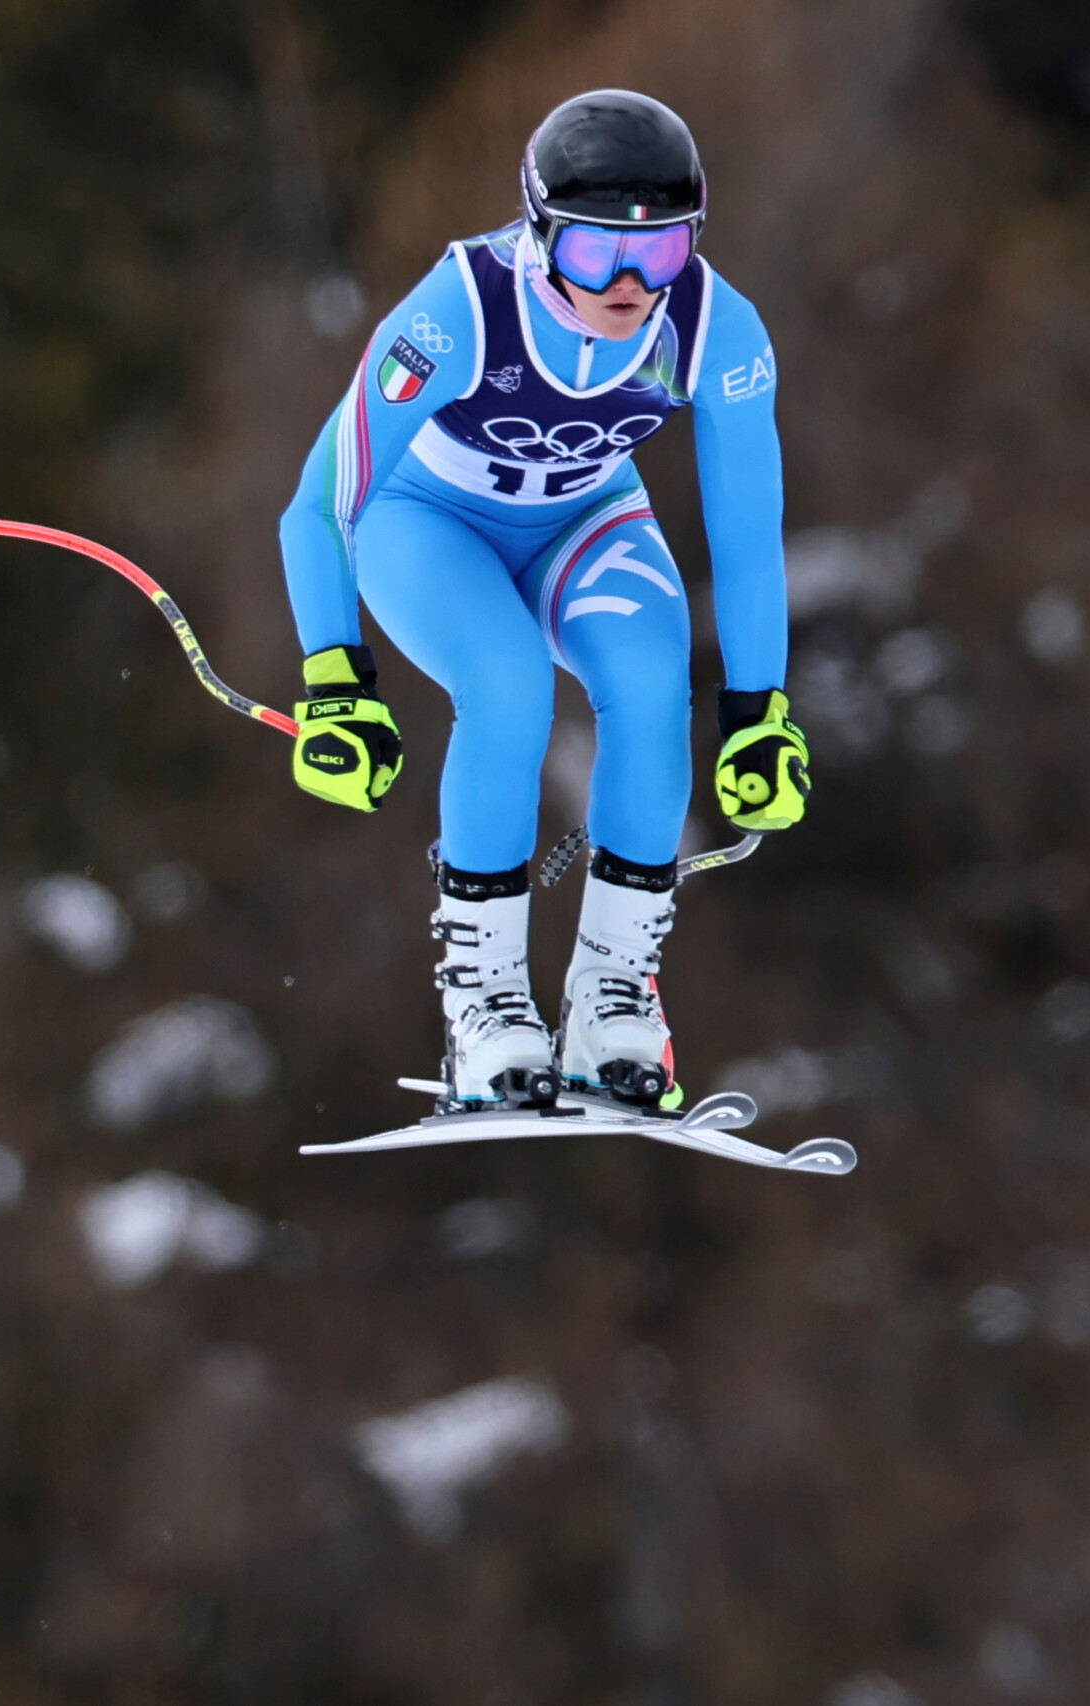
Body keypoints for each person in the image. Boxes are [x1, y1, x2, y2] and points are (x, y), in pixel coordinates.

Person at [278, 89, 809, 1112]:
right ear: (537, 236)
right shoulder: (457, 311)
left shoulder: (716, 328)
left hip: (584, 519)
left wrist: (759, 712)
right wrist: (334, 680)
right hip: (427, 520)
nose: (624, 284)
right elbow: (316, 507)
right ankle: (485, 1008)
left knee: (656, 682)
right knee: (509, 686)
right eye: (592, 252)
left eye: (658, 258)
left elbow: (747, 540)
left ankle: (613, 997)